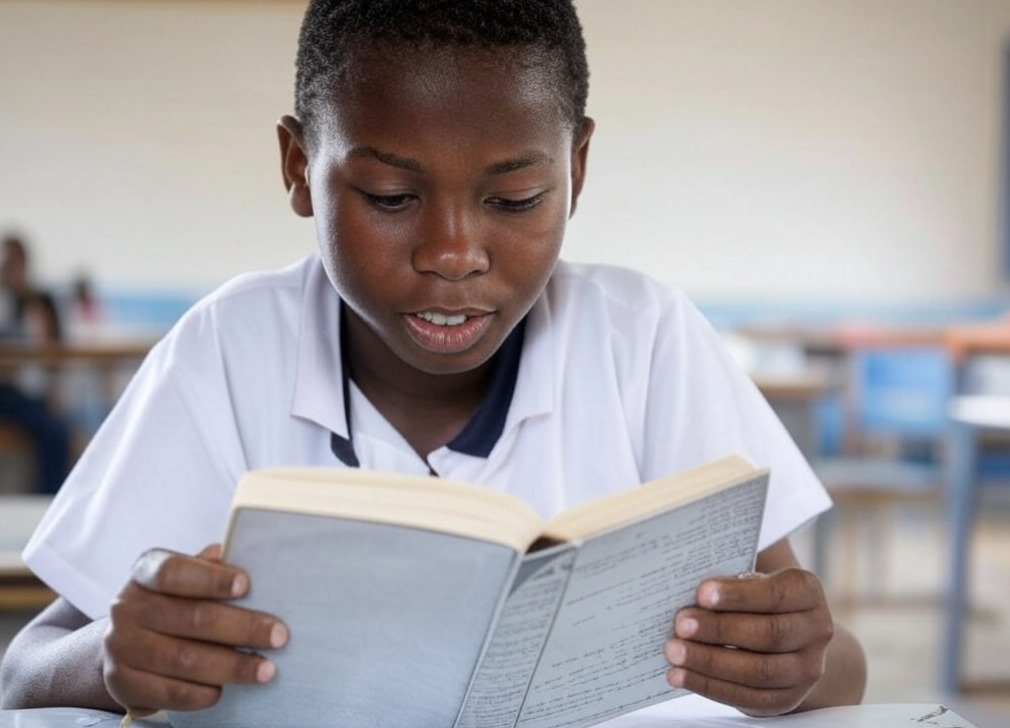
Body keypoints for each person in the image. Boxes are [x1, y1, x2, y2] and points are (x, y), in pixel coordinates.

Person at [0, 0, 866, 720]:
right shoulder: (226, 351)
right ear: (300, 167)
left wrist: (790, 669)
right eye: (390, 196)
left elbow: (841, 666)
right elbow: (24, 669)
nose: (453, 253)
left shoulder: (644, 341)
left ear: (578, 165)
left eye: (514, 198)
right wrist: (117, 661)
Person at [0, 232, 71, 494]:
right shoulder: (3, 302)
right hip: (7, 392)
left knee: (55, 431)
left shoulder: (42, 303)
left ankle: (50, 499)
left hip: (30, 392)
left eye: (14, 263)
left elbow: (54, 355)